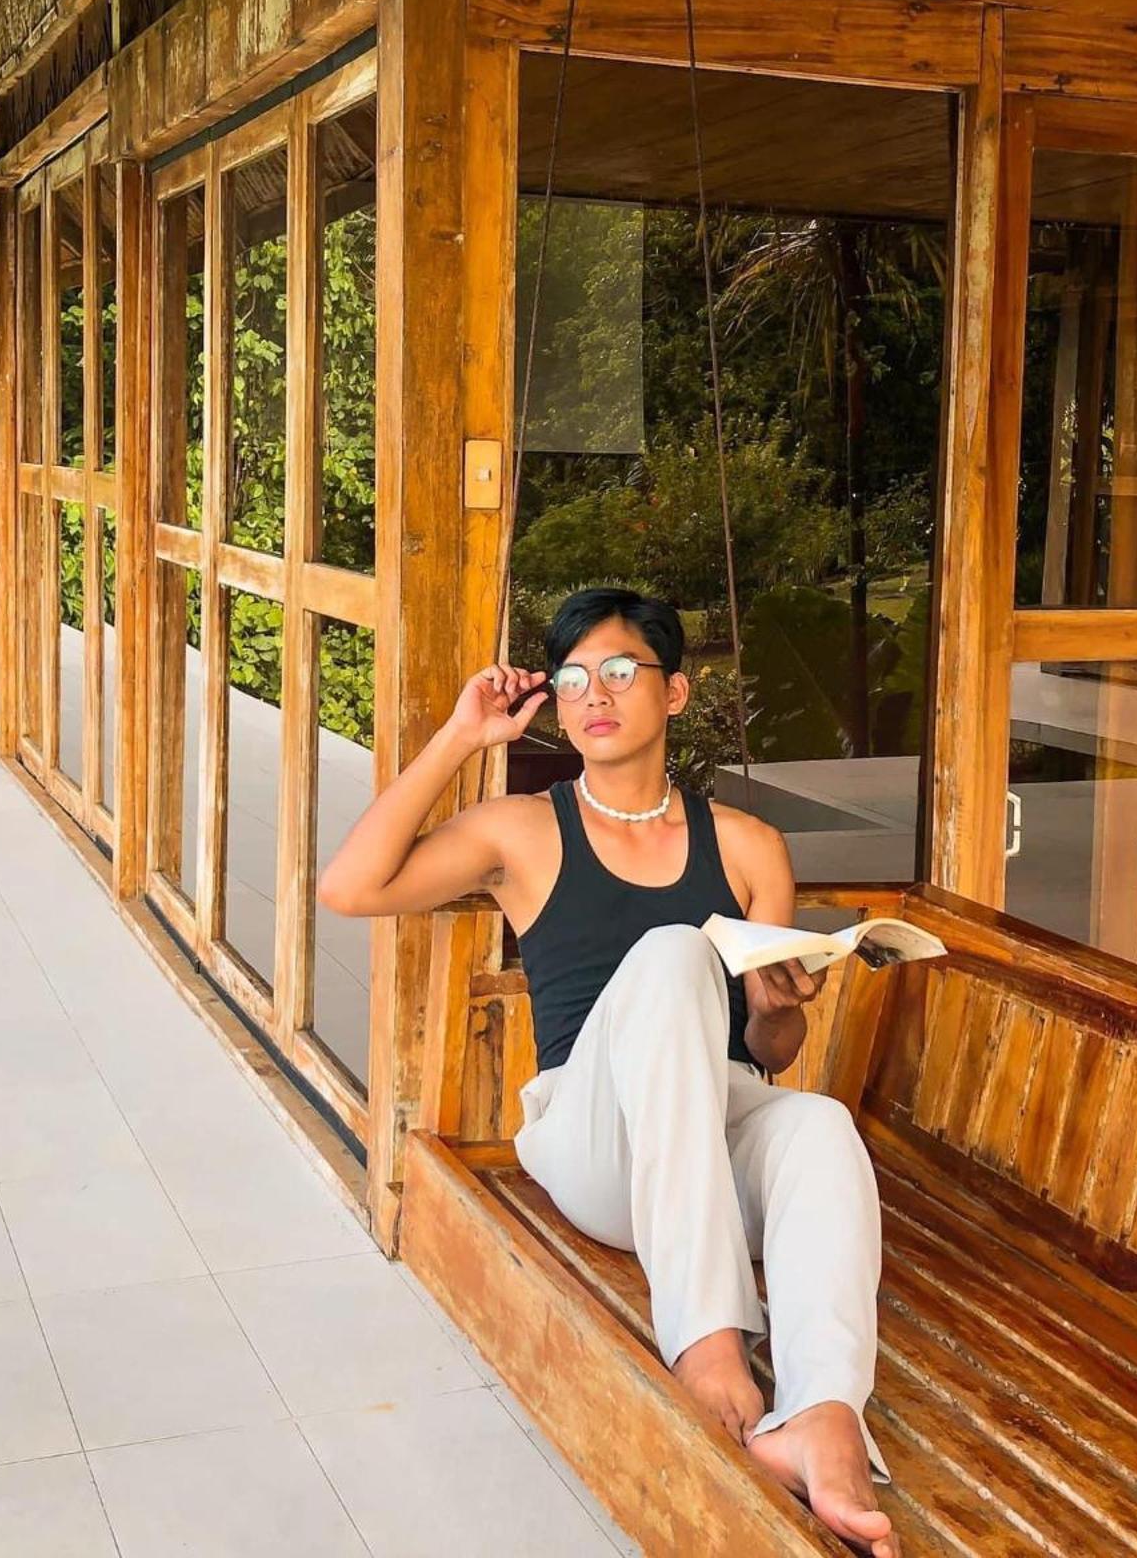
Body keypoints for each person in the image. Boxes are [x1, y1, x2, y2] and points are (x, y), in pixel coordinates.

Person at [317, 586, 895, 1557]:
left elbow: (769, 1058)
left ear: (672, 693)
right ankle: (709, 1343)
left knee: (818, 1123)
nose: (594, 692)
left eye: (620, 671)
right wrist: (462, 735)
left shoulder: (749, 846)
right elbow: (349, 886)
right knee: (673, 952)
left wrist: (772, 1007)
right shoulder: (521, 831)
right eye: (574, 675)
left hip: (710, 1132)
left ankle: (824, 1414)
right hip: (595, 1144)